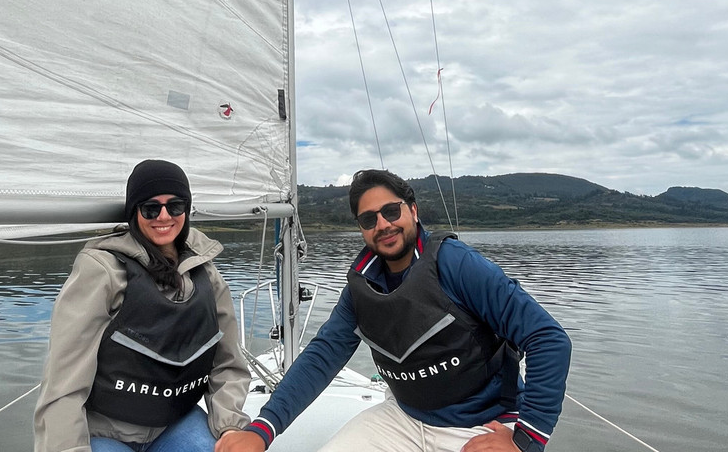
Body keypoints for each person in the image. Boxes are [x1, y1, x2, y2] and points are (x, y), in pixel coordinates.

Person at [215, 169, 571, 452]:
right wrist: (263, 429)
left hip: (484, 423)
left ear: (412, 210)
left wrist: (527, 439)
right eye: (368, 219)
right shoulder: (362, 287)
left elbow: (548, 339)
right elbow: (322, 357)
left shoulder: (455, 264)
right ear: (361, 229)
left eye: (391, 211)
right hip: (404, 417)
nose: (383, 224)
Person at [34, 159, 251, 452]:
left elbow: (229, 363)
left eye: (175, 206)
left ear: (186, 210)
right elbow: (64, 381)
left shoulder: (205, 271)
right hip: (104, 432)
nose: (164, 216)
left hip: (174, 422)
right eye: (151, 207)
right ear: (134, 212)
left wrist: (228, 427)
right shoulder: (102, 271)